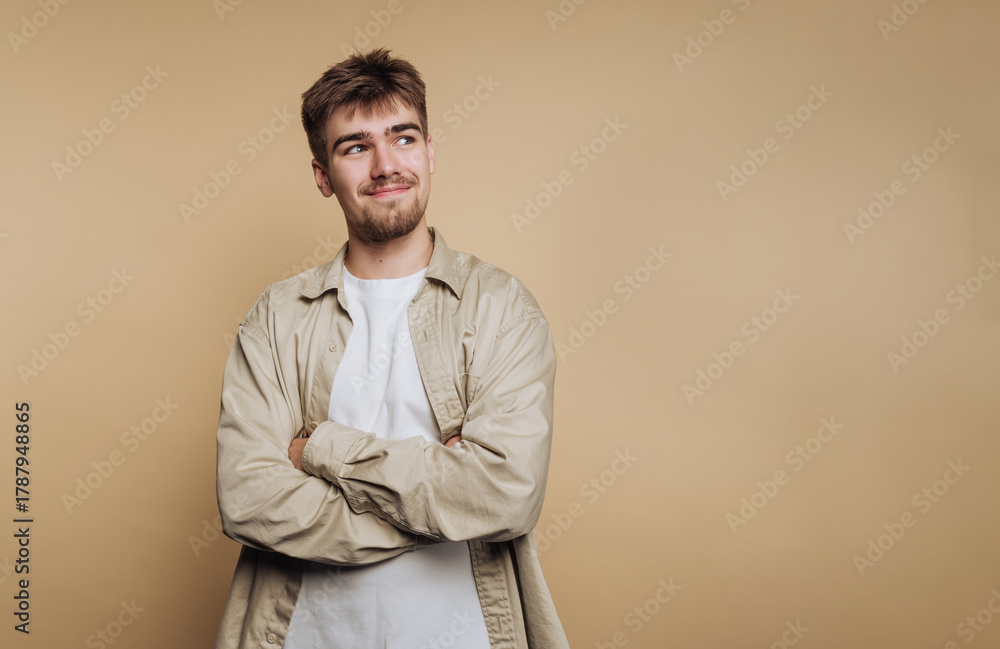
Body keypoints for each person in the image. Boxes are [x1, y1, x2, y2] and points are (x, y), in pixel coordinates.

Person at [214, 48, 569, 649]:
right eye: (356, 147)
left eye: (403, 138)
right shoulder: (276, 317)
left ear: (429, 153)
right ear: (323, 176)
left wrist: (323, 449)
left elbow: (506, 494)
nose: (385, 165)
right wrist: (444, 506)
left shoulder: (501, 307)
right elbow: (248, 500)